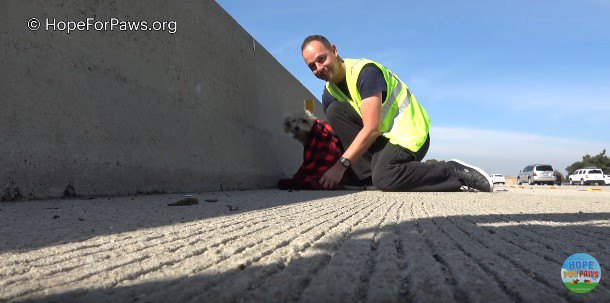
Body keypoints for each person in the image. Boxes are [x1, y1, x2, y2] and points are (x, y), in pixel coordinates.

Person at [300, 35, 493, 192]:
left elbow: (372, 128)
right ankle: (367, 177)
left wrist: (340, 167)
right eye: (312, 67)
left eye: (321, 58)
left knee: (385, 178)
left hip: (409, 134)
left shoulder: (365, 73)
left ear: (334, 50)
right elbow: (341, 133)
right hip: (384, 139)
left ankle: (452, 171)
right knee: (335, 111)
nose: (319, 68)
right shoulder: (329, 93)